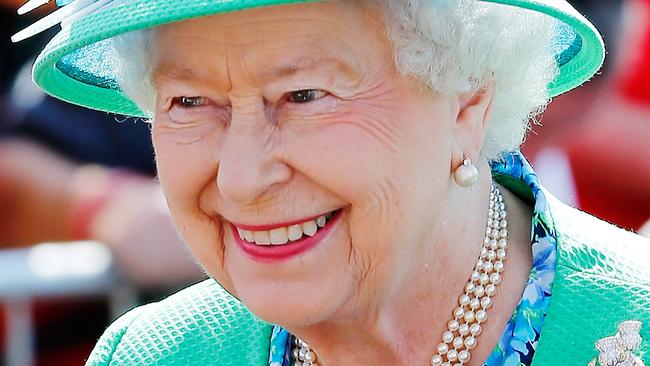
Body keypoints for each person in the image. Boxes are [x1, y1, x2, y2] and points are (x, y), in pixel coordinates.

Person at [12, 0, 650, 365]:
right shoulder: (153, 357)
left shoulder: (634, 326)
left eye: (304, 95)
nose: (240, 178)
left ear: (466, 102)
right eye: (188, 101)